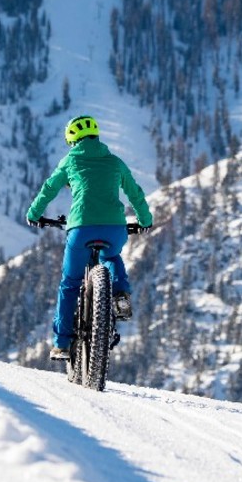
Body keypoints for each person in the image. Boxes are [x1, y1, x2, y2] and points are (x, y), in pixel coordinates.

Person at [26, 114, 153, 360]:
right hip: (114, 228)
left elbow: (49, 189)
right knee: (112, 255)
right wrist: (145, 221)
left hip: (81, 228)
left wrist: (34, 214)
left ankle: (61, 344)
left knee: (70, 283)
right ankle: (120, 293)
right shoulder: (115, 161)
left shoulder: (70, 161)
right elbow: (135, 193)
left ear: (72, 140)